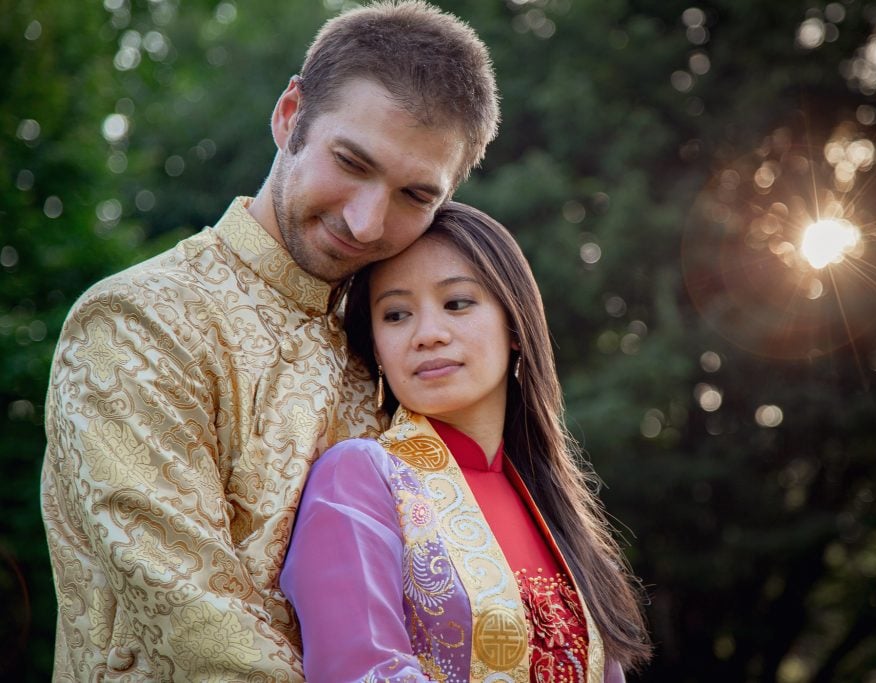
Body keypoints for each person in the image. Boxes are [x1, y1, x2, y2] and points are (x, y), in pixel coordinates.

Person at [40, 2, 498, 680]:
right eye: (351, 160)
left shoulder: (394, 350)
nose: (367, 222)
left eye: (414, 195)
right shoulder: (137, 321)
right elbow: (198, 625)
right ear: (290, 116)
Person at [281, 202, 652, 682]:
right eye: (396, 314)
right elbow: (362, 671)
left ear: (514, 326)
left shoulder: (557, 513)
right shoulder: (358, 478)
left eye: (457, 303)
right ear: (375, 345)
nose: (428, 335)